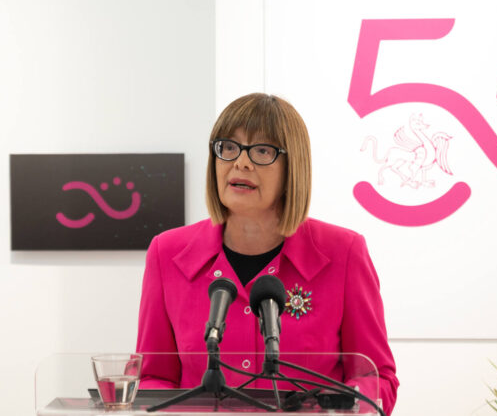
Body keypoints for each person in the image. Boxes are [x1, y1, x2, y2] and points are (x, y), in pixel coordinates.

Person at [136, 93, 399, 414]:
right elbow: (153, 378)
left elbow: (378, 378)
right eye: (228, 147)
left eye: (261, 151)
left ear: (292, 168)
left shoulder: (343, 253)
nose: (240, 162)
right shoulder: (167, 253)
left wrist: (345, 403)